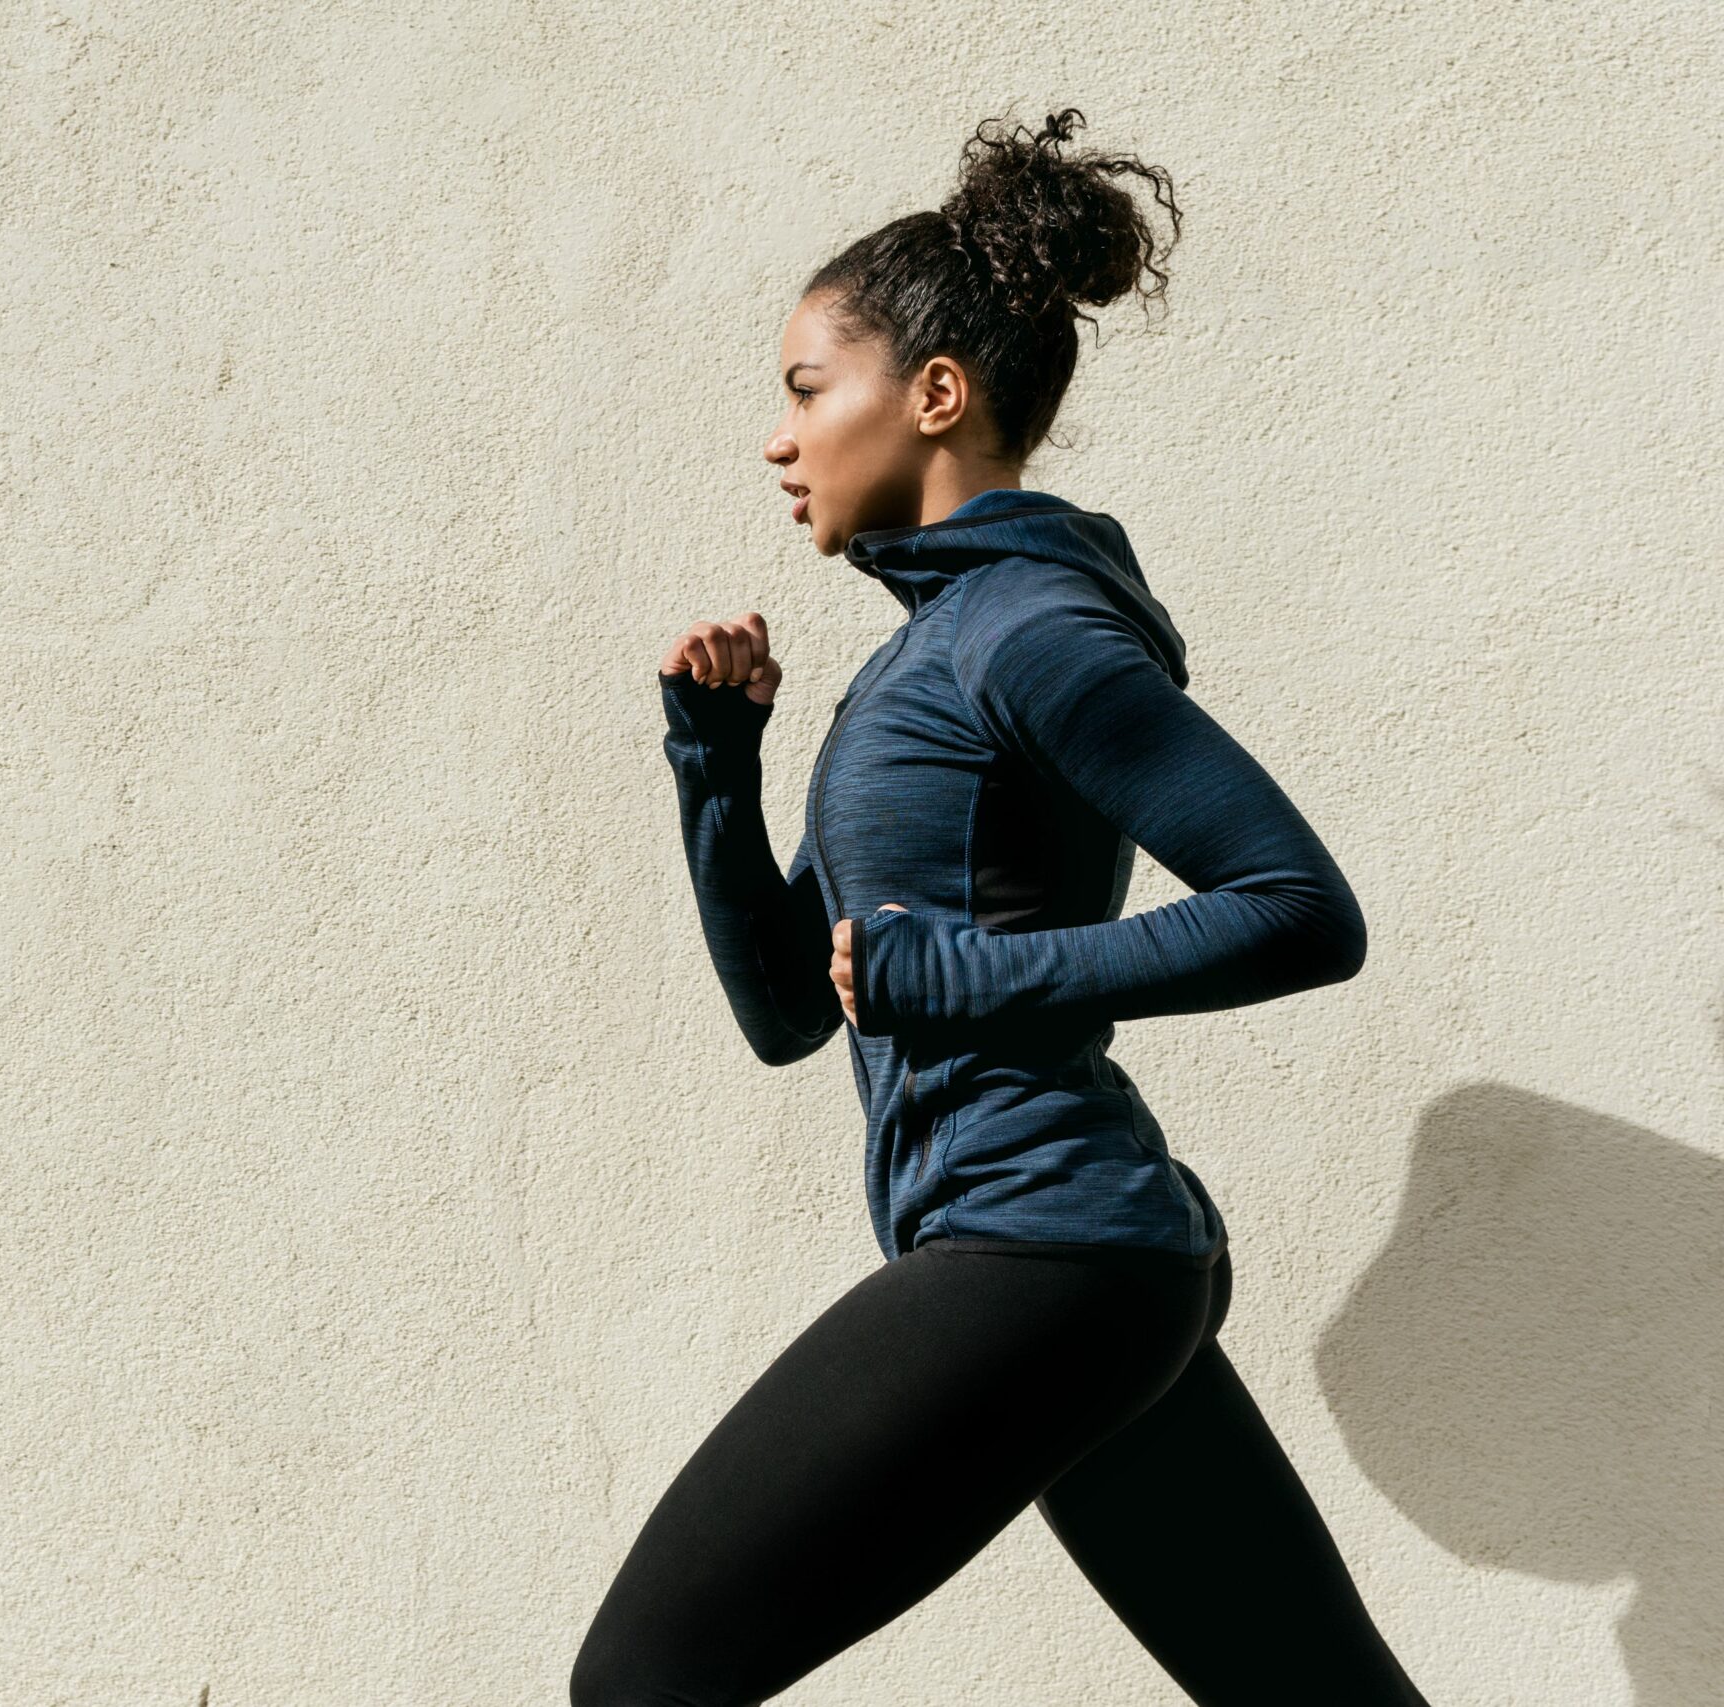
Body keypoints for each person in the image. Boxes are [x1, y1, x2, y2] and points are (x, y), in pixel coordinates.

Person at [570, 109, 1434, 1706]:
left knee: (644, 1678)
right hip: (1080, 1266)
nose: (780, 438)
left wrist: (959, 977)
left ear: (936, 396)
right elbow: (789, 1008)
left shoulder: (1032, 634)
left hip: (1043, 1245)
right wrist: (716, 770)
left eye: (806, 390)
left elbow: (1304, 910)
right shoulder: (915, 666)